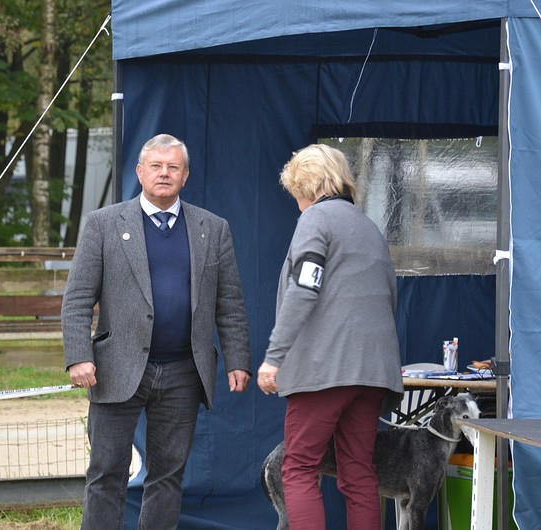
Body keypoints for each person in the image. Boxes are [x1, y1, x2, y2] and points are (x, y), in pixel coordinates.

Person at [62, 133, 252, 530]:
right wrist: (79, 355)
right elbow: (77, 297)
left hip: (184, 371)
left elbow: (229, 302)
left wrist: (238, 359)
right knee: (106, 472)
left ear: (185, 175)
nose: (164, 173)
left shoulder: (213, 228)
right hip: (116, 367)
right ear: (140, 172)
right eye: (156, 166)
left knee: (168, 476)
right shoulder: (103, 224)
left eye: (173, 167)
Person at [257, 143, 404, 530]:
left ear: (307, 185)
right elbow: (390, 296)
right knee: (359, 473)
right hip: (373, 372)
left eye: (296, 193)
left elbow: (305, 288)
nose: (297, 203)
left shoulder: (316, 220)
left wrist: (275, 356)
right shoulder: (368, 227)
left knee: (299, 467)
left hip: (325, 370)